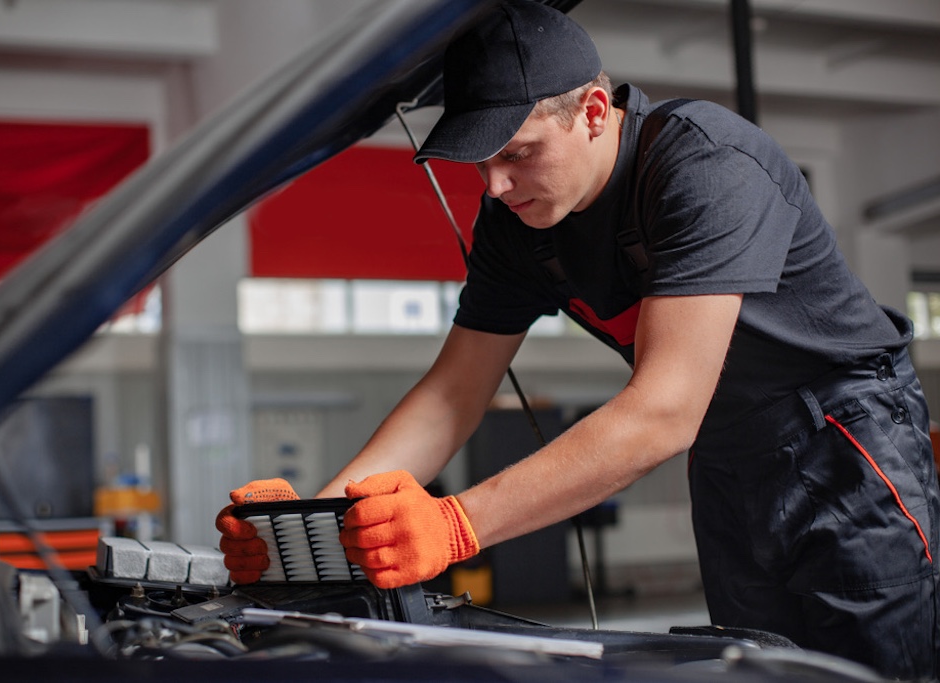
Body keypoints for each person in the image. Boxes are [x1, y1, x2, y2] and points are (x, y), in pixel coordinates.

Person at [217, 1, 940, 677]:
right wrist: (307, 530)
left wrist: (455, 524)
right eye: (480, 162)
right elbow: (452, 391)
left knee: (863, 669)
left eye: (518, 153)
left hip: (845, 437)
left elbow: (663, 409)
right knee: (756, 666)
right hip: (728, 456)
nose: (495, 185)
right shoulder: (517, 222)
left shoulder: (705, 167)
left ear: (593, 112)